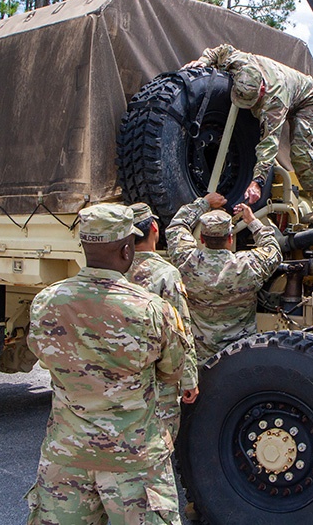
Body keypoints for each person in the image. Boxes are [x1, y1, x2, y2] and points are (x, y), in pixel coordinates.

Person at [26, 203, 188, 525]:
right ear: (127, 250)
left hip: (67, 456)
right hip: (134, 462)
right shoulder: (151, 310)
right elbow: (173, 370)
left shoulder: (46, 302)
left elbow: (43, 356)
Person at [184, 44, 313, 224]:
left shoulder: (274, 102)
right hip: (281, 85)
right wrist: (202, 62)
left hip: (307, 98)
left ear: (261, 91)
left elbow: (269, 144)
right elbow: (220, 50)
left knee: (299, 150)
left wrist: (257, 182)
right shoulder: (240, 63)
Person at [166, 192, 282, 361]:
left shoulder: (186, 262)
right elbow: (273, 250)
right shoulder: (248, 265)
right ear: (230, 238)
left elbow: (176, 227)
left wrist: (204, 202)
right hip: (241, 356)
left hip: (201, 359)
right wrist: (252, 221)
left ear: (201, 239)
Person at [127, 202, 199, 442]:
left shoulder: (115, 270)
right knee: (160, 441)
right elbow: (181, 330)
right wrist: (189, 378)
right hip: (157, 377)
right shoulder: (166, 274)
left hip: (119, 374)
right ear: (154, 228)